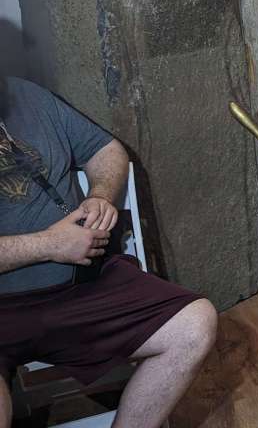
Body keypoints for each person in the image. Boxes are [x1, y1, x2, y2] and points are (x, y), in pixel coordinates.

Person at [0, 76, 217, 428]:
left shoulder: (27, 94)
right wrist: (50, 244)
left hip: (83, 285)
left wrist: (99, 195)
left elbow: (106, 150)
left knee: (195, 325)